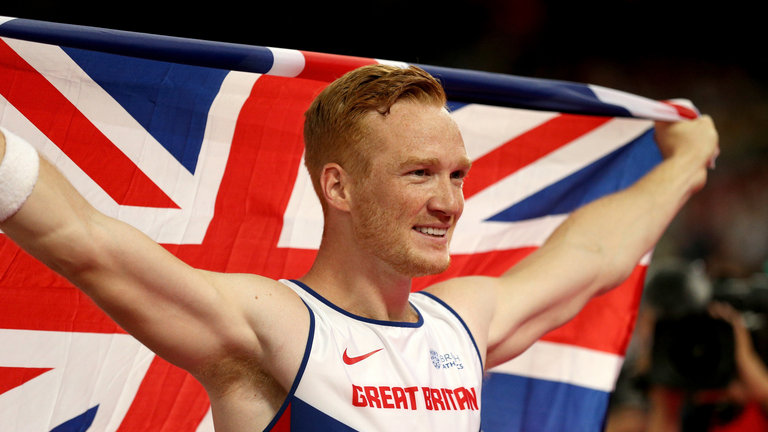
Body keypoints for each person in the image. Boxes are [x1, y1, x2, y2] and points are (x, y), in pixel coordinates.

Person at [0, 64, 719, 431]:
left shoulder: (459, 326)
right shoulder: (273, 325)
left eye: (458, 175)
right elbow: (83, 240)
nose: (451, 202)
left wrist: (687, 162)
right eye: (419, 174)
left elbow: (593, 257)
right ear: (338, 188)